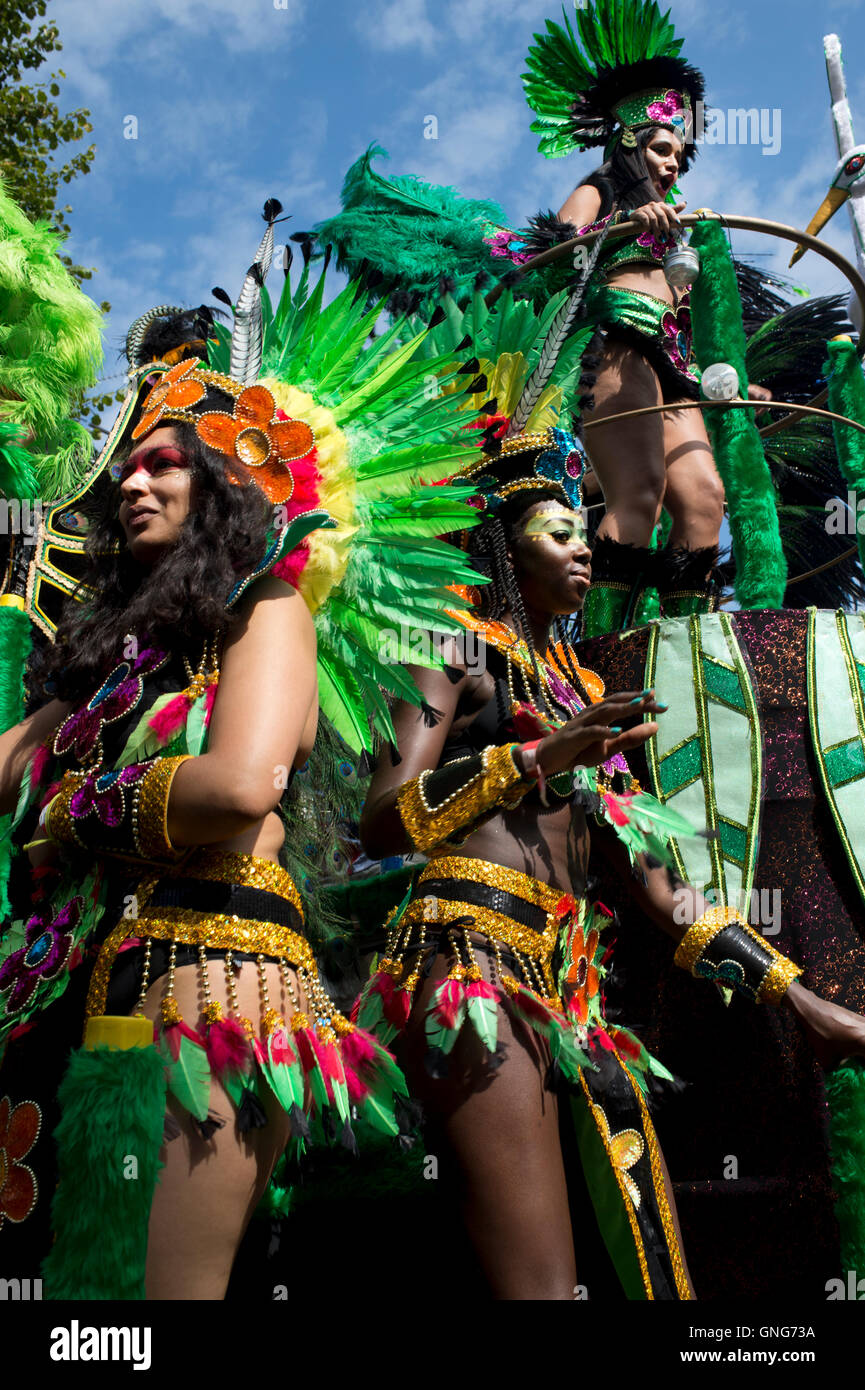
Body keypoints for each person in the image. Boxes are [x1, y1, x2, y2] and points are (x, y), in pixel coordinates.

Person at [0, 209, 490, 1299]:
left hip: (203, 985)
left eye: (164, 466)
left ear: (220, 486)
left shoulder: (264, 611)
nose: (131, 485)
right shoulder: (113, 666)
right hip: (79, 980)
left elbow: (239, 787)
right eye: (123, 468)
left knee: (141, 1308)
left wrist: (72, 810)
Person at [353, 422, 865, 1300]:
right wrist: (533, 760)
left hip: (572, 987)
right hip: (470, 967)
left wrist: (804, 1002)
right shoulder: (451, 650)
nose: (582, 547)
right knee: (544, 1285)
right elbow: (384, 821)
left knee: (644, 1264)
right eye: (557, 532)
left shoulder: (584, 693)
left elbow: (657, 885)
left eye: (585, 530)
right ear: (501, 547)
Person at [520, 0, 770, 632]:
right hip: (617, 347)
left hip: (674, 363)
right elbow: (546, 266)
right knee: (637, 495)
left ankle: (688, 647)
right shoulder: (597, 190)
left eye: (680, 157)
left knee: (705, 502)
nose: (672, 164)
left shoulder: (679, 227)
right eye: (661, 149)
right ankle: (605, 654)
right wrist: (618, 224)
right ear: (628, 142)